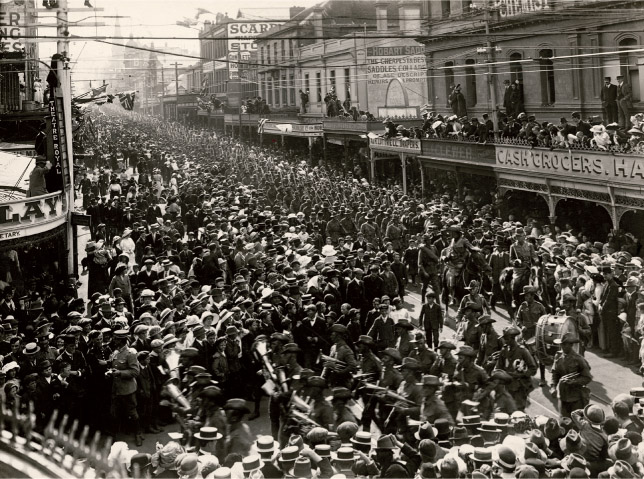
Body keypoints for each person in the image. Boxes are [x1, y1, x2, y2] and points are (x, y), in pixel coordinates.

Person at [550, 333, 592, 418]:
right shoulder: (558, 356)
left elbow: (587, 377)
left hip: (576, 398)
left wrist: (574, 382)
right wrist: (553, 387)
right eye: (562, 344)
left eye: (565, 344)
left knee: (576, 423)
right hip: (563, 396)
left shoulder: (579, 359)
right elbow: (555, 373)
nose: (563, 347)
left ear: (571, 345)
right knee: (564, 422)